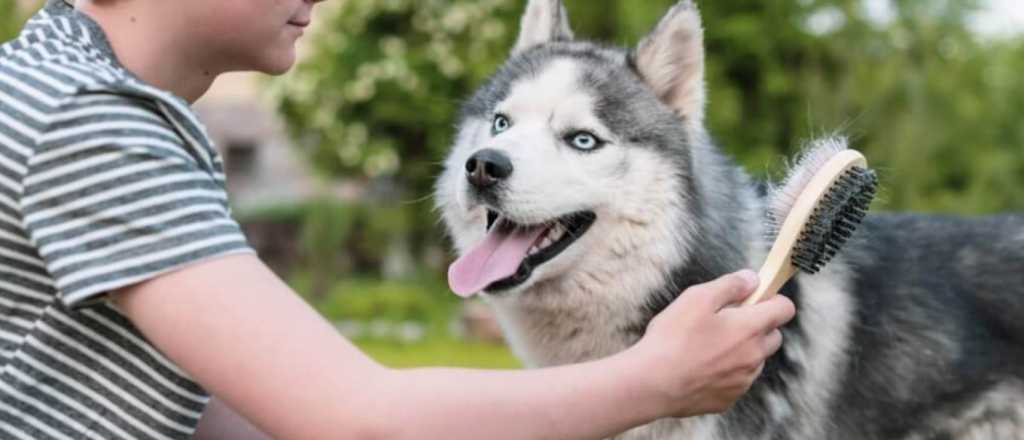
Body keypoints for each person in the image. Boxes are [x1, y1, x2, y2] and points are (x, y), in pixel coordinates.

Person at [0, 1, 797, 438]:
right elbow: (355, 419)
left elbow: (202, 407)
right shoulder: (87, 122)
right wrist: (652, 381)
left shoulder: (83, 97)